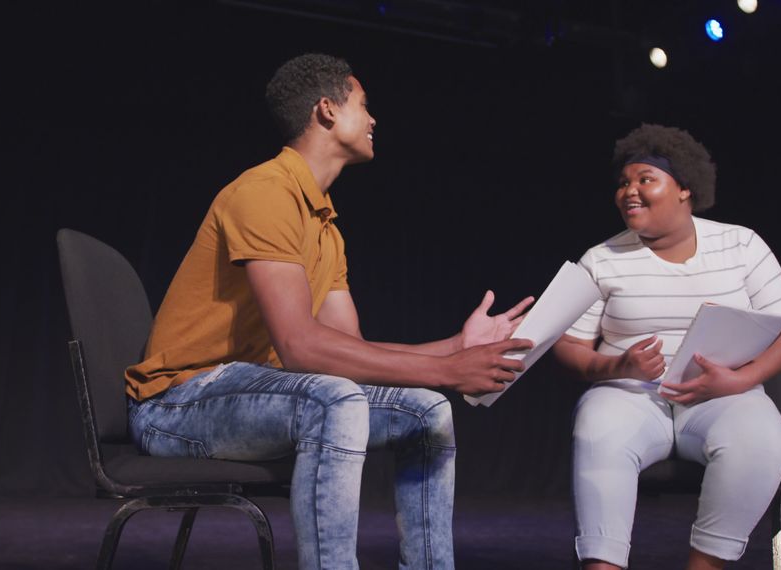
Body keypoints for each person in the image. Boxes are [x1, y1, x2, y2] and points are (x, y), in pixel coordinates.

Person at [124, 53, 534, 570]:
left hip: (253, 396)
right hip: (176, 403)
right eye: (364, 105)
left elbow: (349, 352)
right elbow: (301, 347)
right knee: (335, 401)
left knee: (426, 412)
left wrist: (457, 347)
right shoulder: (265, 192)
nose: (373, 119)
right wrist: (449, 370)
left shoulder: (325, 228)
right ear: (327, 111)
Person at [552, 124, 781, 570]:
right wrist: (617, 365)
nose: (629, 190)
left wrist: (738, 379)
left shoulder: (742, 245)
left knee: (760, 440)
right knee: (597, 432)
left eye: (645, 179)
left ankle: (705, 565)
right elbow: (568, 346)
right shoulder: (602, 258)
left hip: (722, 394)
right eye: (624, 182)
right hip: (629, 395)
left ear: (685, 187)